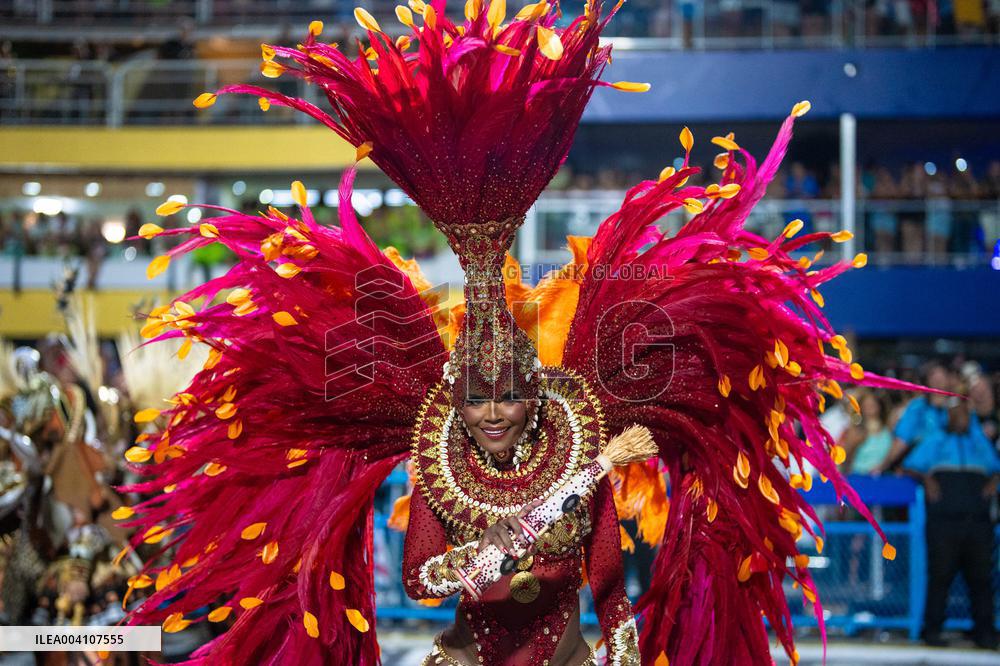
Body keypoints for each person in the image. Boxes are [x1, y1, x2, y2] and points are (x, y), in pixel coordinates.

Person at [117, 3, 926, 664]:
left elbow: (607, 582)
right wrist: (493, 550)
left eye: (507, 395)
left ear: (537, 391)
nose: (493, 413)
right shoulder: (442, 467)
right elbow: (421, 579)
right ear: (454, 401)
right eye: (477, 399)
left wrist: (622, 646)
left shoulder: (583, 455)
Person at [902, 396, 1000, 649]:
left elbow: (995, 467)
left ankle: (984, 633)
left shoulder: (979, 442)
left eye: (965, 414)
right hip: (943, 522)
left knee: (981, 578)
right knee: (940, 575)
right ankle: (932, 631)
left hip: (977, 521)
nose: (961, 419)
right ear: (948, 417)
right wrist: (927, 479)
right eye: (956, 414)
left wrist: (993, 482)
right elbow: (909, 466)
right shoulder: (934, 440)